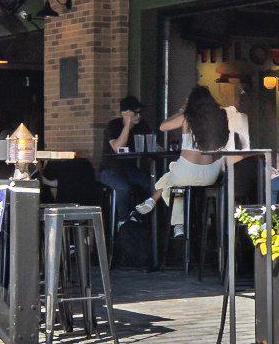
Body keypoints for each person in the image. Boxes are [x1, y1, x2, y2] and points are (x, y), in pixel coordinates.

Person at [136, 87, 230, 248]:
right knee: (173, 178)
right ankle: (199, 219)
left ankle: (174, 219)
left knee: (172, 181)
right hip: (211, 174)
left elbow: (163, 126)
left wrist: (182, 110)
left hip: (187, 172)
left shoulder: (188, 116)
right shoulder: (220, 116)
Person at [97, 97, 154, 234]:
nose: (139, 116)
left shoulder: (143, 125)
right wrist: (127, 125)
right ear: (125, 113)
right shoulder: (114, 125)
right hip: (110, 170)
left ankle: (139, 217)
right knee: (124, 188)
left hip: (130, 169)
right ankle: (123, 223)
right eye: (135, 113)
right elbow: (117, 147)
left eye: (140, 112)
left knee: (151, 184)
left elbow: (151, 145)